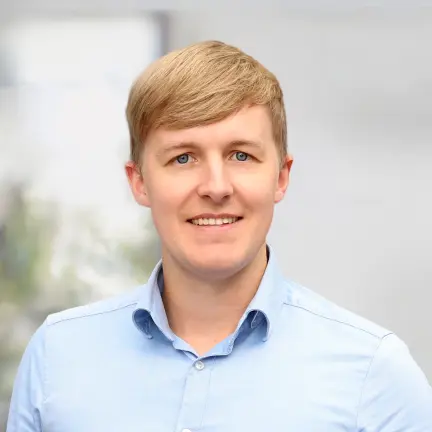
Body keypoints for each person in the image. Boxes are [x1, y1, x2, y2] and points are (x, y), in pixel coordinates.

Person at [6, 40, 432, 431]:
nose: (216, 186)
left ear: (281, 177)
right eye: (183, 158)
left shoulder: (374, 375)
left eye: (241, 155)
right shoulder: (56, 357)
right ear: (139, 182)